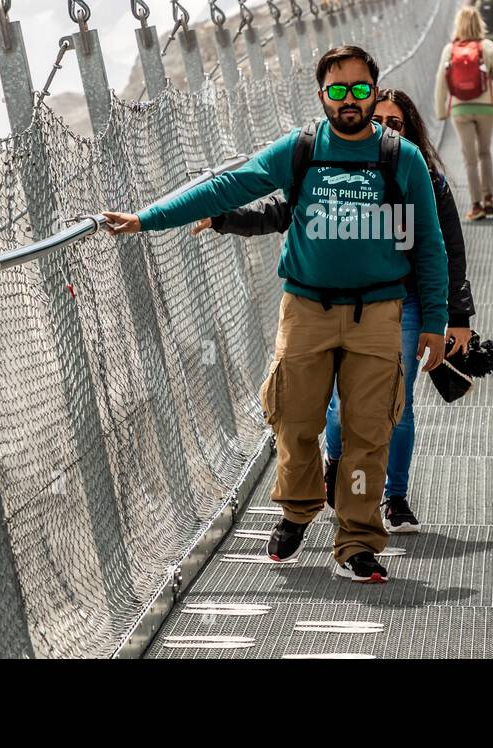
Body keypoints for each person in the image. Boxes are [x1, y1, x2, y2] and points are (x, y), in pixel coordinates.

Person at [103, 45, 449, 584]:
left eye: (361, 89)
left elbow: (429, 244)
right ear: (322, 96)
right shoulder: (302, 150)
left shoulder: (400, 158)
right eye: (338, 90)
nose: (350, 100)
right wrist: (148, 220)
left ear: (374, 90)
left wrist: (435, 320)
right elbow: (227, 187)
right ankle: (297, 509)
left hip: (379, 313)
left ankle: (357, 540)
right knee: (293, 418)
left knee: (367, 432)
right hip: (306, 309)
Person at [196, 89, 476, 534]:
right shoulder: (335, 169)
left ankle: (395, 498)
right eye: (379, 120)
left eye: (397, 124)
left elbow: (447, 249)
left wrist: (454, 318)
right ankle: (337, 462)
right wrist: (222, 217)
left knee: (395, 406)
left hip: (403, 304)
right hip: (339, 304)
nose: (387, 129)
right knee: (340, 406)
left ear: (411, 131)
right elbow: (281, 214)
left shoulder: (421, 176)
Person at [435, 7, 493, 222]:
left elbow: (441, 82)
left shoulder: (449, 49)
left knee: (469, 159)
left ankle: (476, 205)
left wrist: (440, 110)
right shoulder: (487, 47)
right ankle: (489, 198)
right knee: (485, 153)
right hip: (486, 108)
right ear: (479, 23)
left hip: (460, 109)